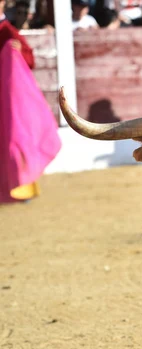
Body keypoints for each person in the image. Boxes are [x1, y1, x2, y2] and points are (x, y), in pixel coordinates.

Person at [0, 0, 61, 203]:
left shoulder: (7, 31)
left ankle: (21, 187)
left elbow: (30, 60)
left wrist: (18, 51)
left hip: (6, 101)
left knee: (15, 140)